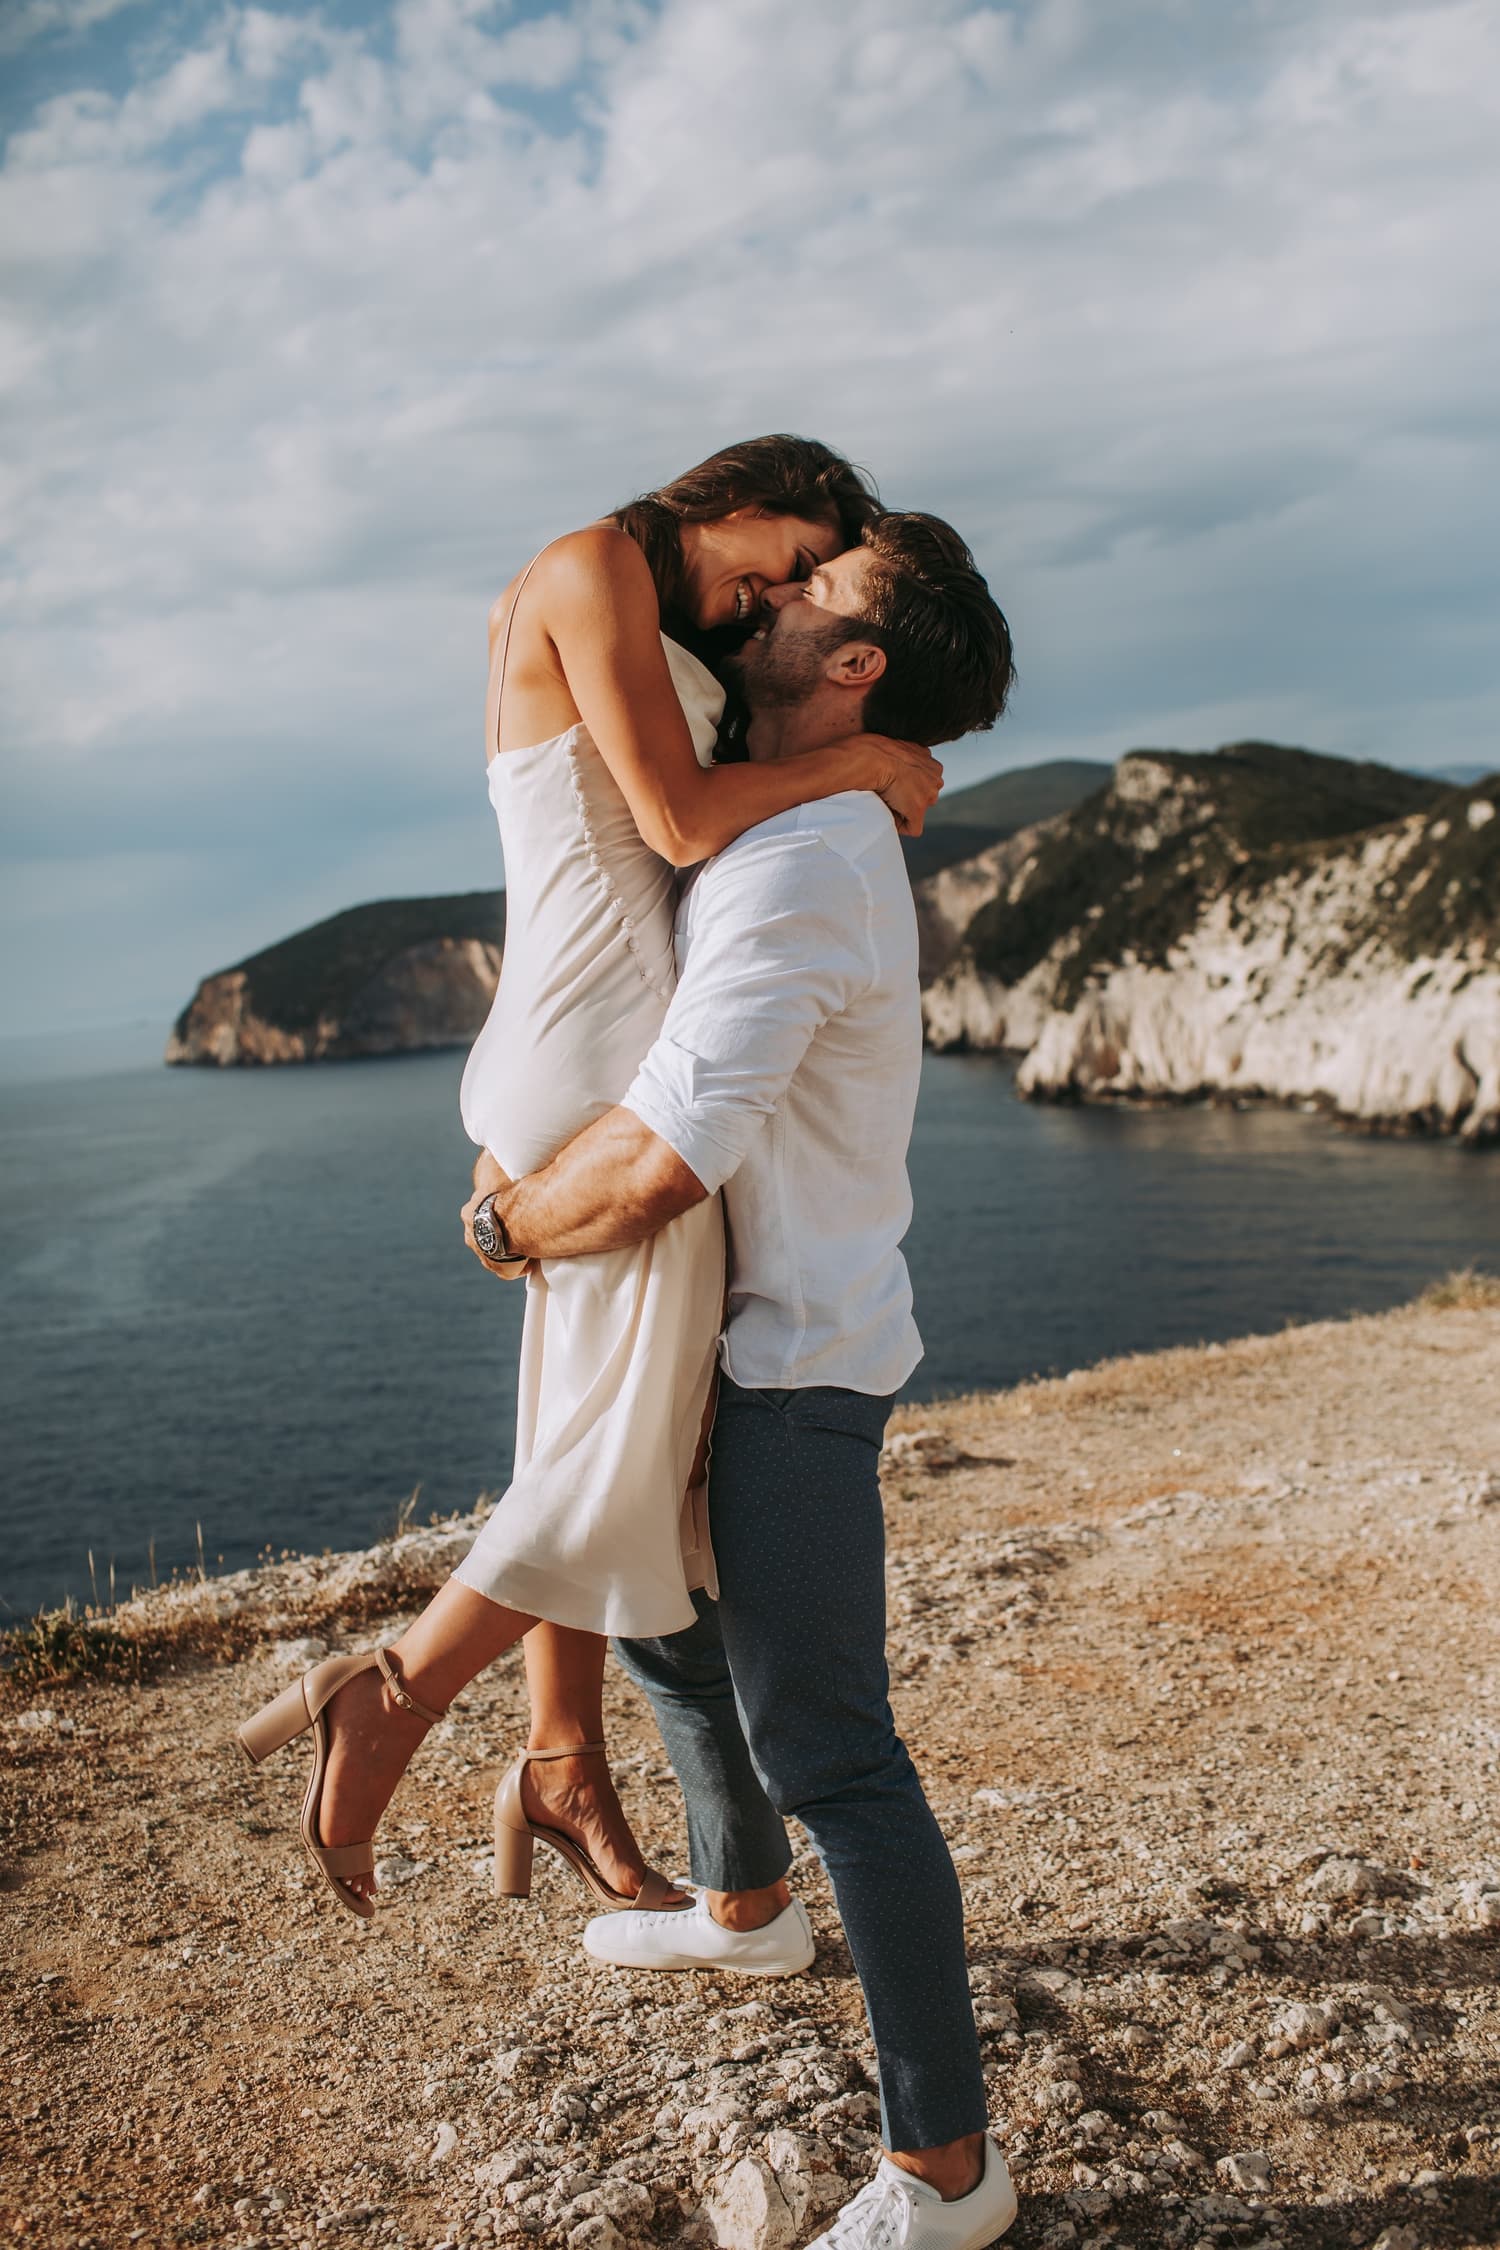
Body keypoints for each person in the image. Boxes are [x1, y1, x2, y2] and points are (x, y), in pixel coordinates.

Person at [237, 436, 942, 1919]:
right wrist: (867, 759)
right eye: (791, 552)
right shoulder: (592, 564)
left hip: (582, 1035)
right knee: (620, 1458)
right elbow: (683, 824)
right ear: (728, 491)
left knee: (587, 1427)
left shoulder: (630, 598)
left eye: (814, 578)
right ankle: (394, 1696)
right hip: (605, 1064)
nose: (784, 590)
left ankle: (561, 1756)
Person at [460, 513, 1020, 2250]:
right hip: (722, 1329)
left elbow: (667, 1157)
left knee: (832, 1745)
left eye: (815, 588)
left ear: (853, 668)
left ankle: (949, 2171)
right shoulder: (773, 806)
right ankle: (743, 1900)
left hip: (789, 1363)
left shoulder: (799, 861)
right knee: (662, 1624)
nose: (773, 596)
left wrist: (508, 1226)